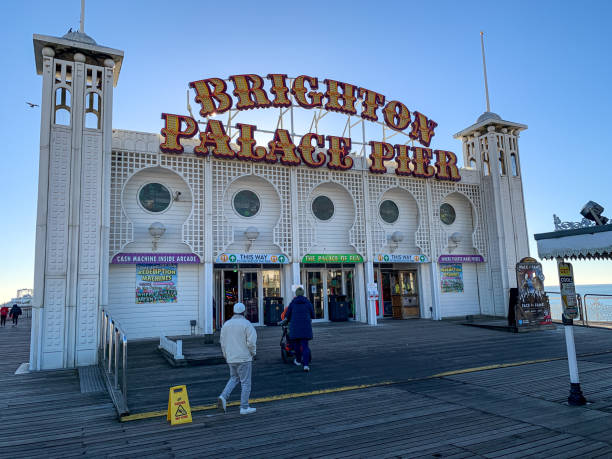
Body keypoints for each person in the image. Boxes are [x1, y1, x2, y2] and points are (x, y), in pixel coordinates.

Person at [217, 302, 257, 415]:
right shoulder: (247, 324)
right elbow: (251, 342)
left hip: (231, 357)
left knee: (234, 378)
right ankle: (244, 407)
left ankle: (223, 396)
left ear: (234, 311)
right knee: (245, 382)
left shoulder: (226, 324)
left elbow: (222, 342)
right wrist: (253, 353)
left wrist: (226, 355)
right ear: (244, 312)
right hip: (244, 358)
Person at [285, 287, 314, 372]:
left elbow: (287, 316)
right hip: (305, 327)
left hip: (295, 327)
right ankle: (306, 365)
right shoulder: (308, 303)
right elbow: (313, 314)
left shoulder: (293, 303)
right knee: (305, 346)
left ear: (296, 294)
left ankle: (298, 360)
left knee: (297, 346)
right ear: (303, 293)